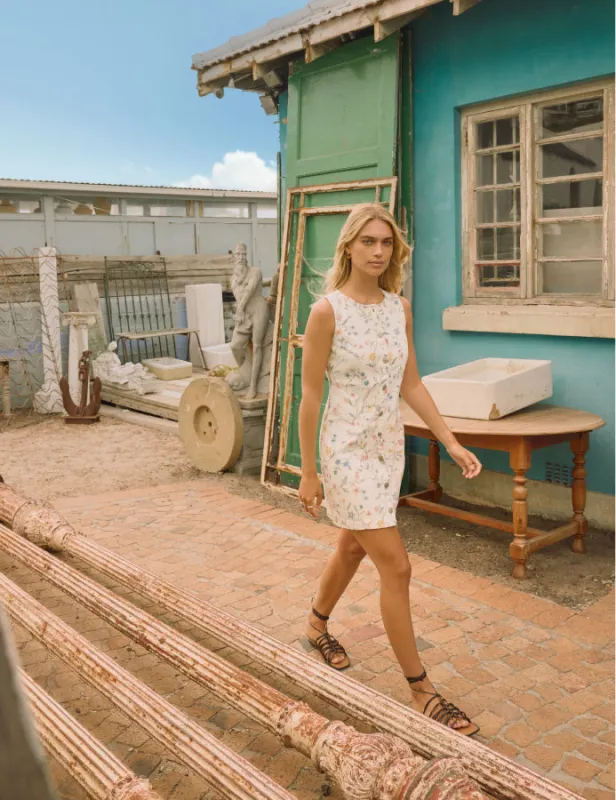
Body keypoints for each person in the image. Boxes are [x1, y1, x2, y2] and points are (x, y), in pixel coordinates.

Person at [298, 203, 482, 736]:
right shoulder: (326, 312)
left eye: (387, 244)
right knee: (396, 567)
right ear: (349, 247)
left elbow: (411, 384)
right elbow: (310, 395)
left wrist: (449, 441)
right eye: (368, 242)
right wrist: (309, 470)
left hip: (385, 448)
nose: (378, 252)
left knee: (353, 545)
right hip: (344, 450)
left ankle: (316, 623)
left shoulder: (397, 308)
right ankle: (421, 690)